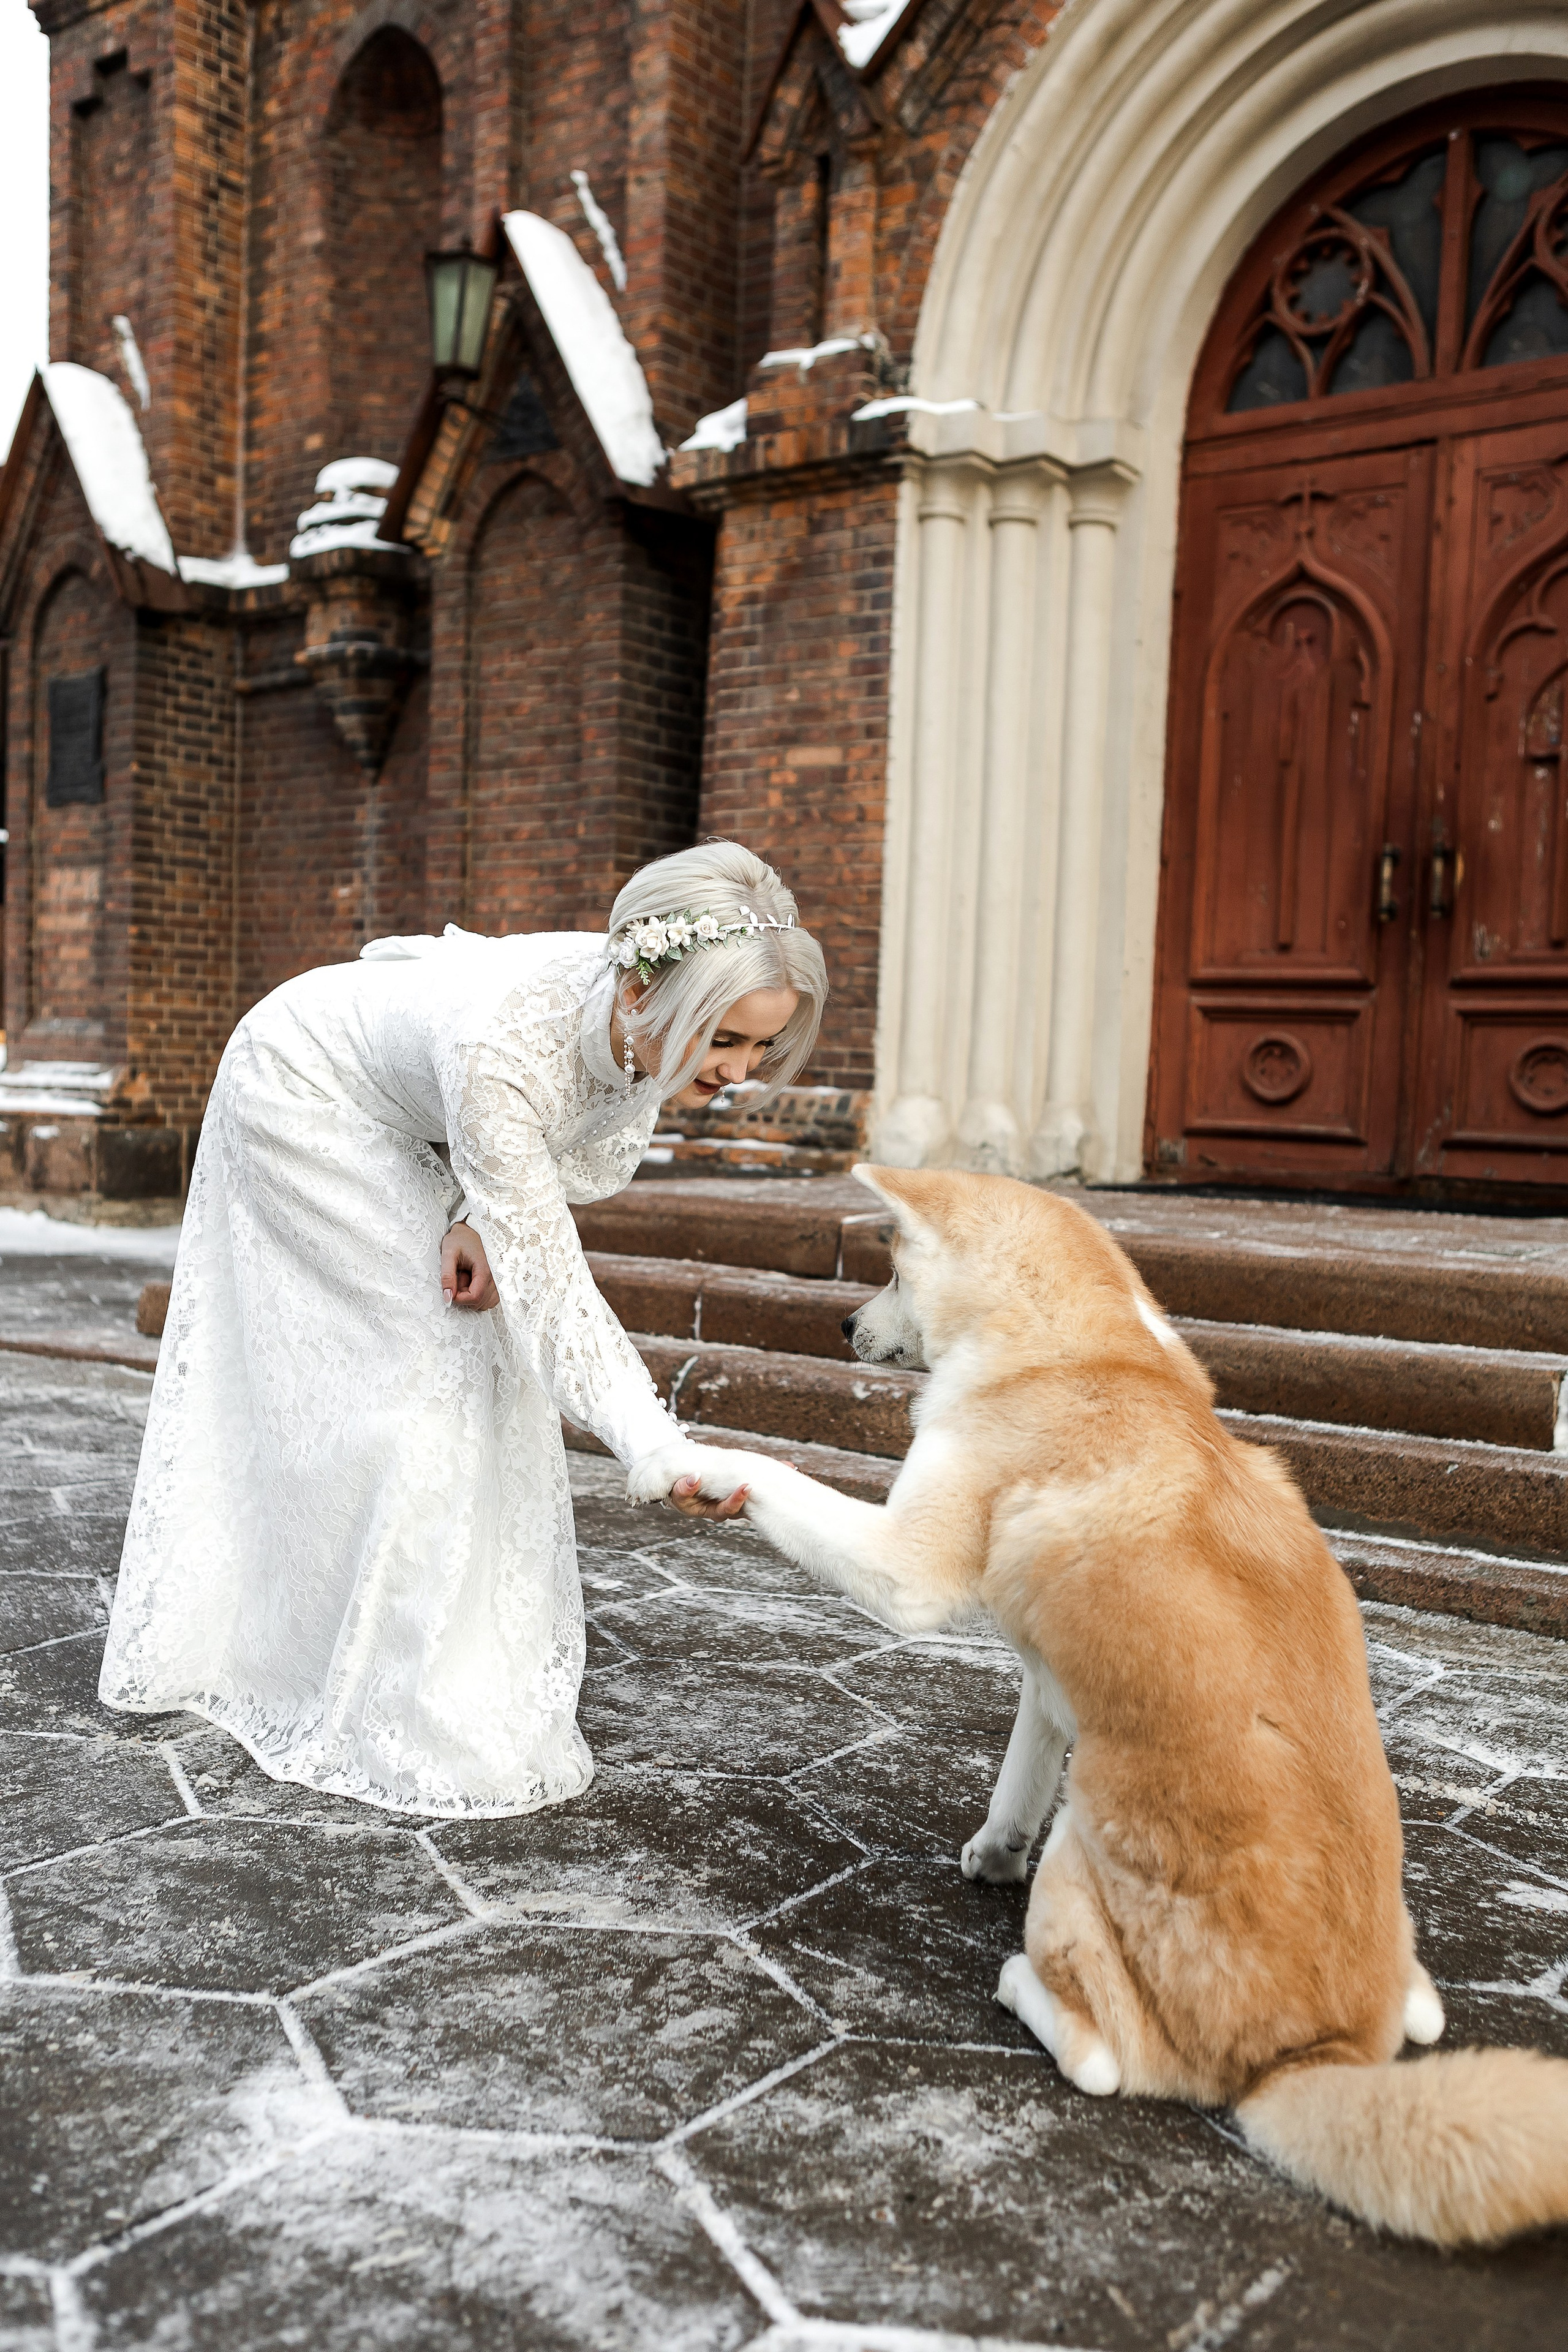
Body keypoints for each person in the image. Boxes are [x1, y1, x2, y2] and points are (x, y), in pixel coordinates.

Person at [99, 843, 826, 1818]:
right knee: (428, 1362)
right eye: (726, 1039)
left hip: (424, 1113)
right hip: (303, 1090)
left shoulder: (625, 999)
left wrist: (482, 1212)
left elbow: (540, 1162)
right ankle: (372, 1678)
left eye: (761, 1049)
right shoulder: (504, 1048)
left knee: (475, 1357)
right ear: (649, 988)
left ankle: (436, 1648)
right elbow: (556, 1284)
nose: (740, 1072)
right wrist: (654, 1443)